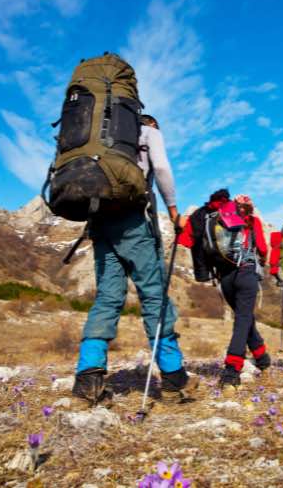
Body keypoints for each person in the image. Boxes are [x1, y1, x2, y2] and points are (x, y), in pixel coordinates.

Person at [72, 113, 198, 404]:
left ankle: (87, 380)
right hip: (133, 222)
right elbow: (162, 168)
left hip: (100, 222)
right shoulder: (148, 131)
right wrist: (174, 211)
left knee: (106, 298)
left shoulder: (100, 138)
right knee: (154, 296)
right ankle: (173, 379)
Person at [181, 193, 271, 393]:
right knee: (243, 319)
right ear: (250, 209)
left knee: (244, 318)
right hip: (246, 273)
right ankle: (232, 369)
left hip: (225, 279)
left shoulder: (218, 221)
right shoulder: (252, 221)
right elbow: (263, 248)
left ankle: (262, 358)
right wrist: (263, 259)